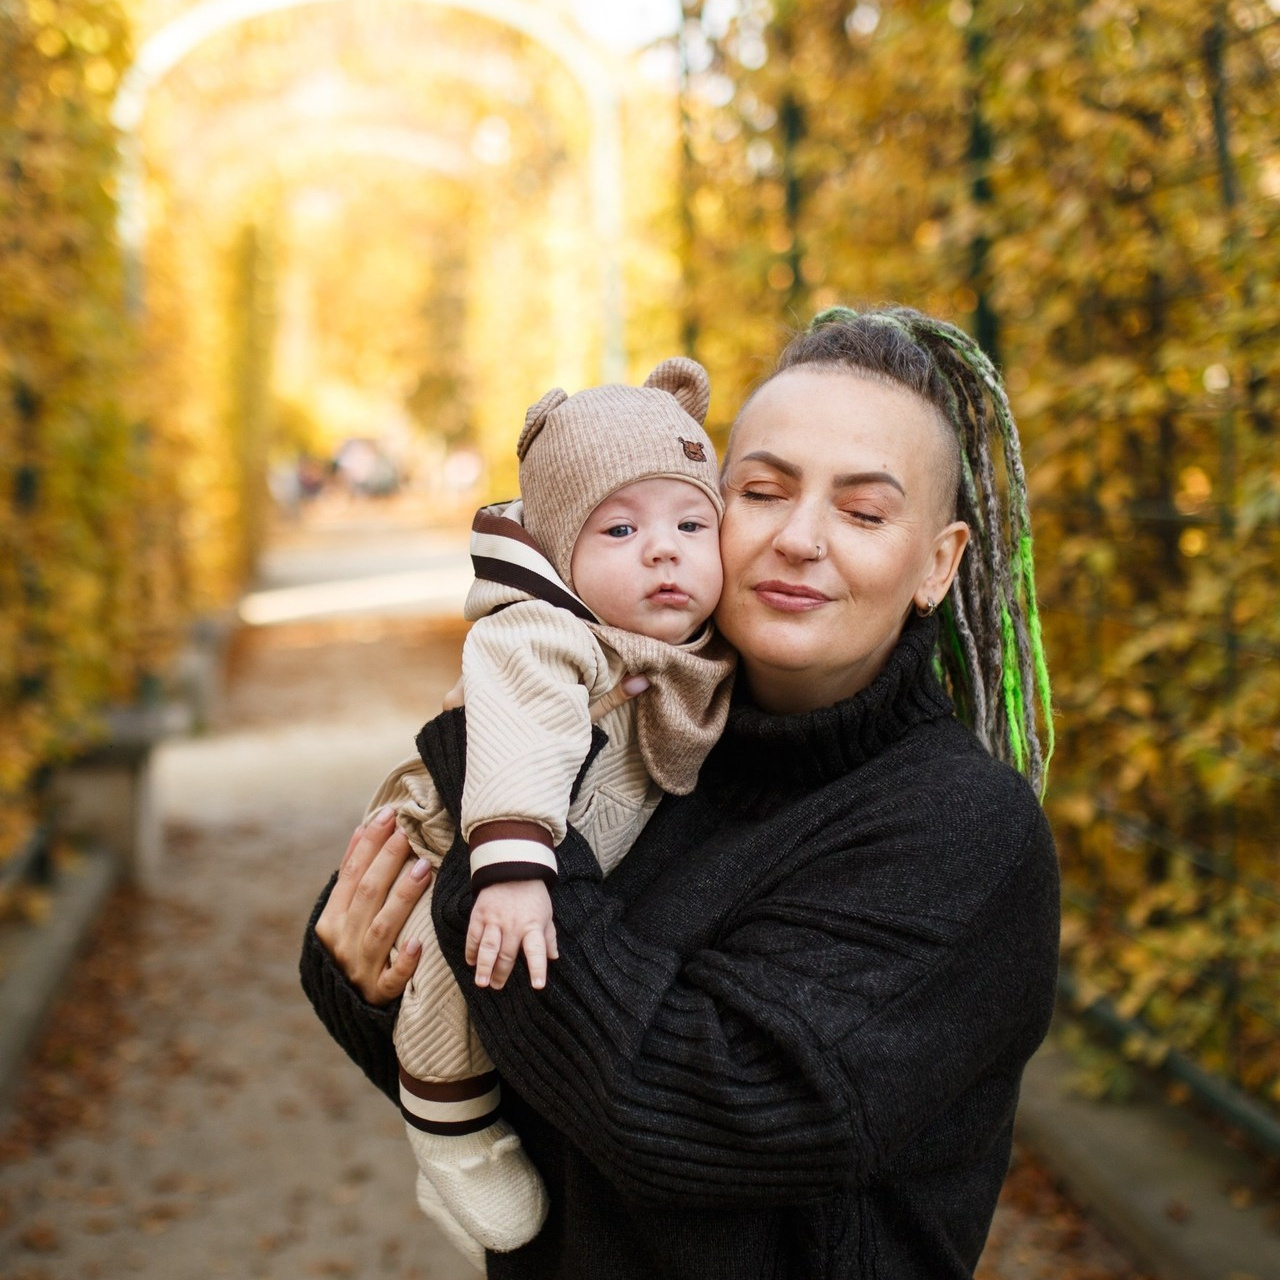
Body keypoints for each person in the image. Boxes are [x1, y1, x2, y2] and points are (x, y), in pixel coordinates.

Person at [301, 305, 1060, 1279]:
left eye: (864, 513)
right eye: (761, 492)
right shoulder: (645, 728)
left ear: (937, 564)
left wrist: (490, 777)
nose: (799, 538)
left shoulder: (961, 830)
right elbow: (550, 1084)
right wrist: (379, 987)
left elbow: (690, 1109)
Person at [362, 357, 736, 1259]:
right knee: (469, 959)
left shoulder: (700, 654)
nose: (664, 549)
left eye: (693, 523)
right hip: (472, 842)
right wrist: (513, 863)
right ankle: (449, 1125)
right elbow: (523, 724)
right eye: (620, 529)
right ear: (559, 553)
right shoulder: (540, 631)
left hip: (561, 869)